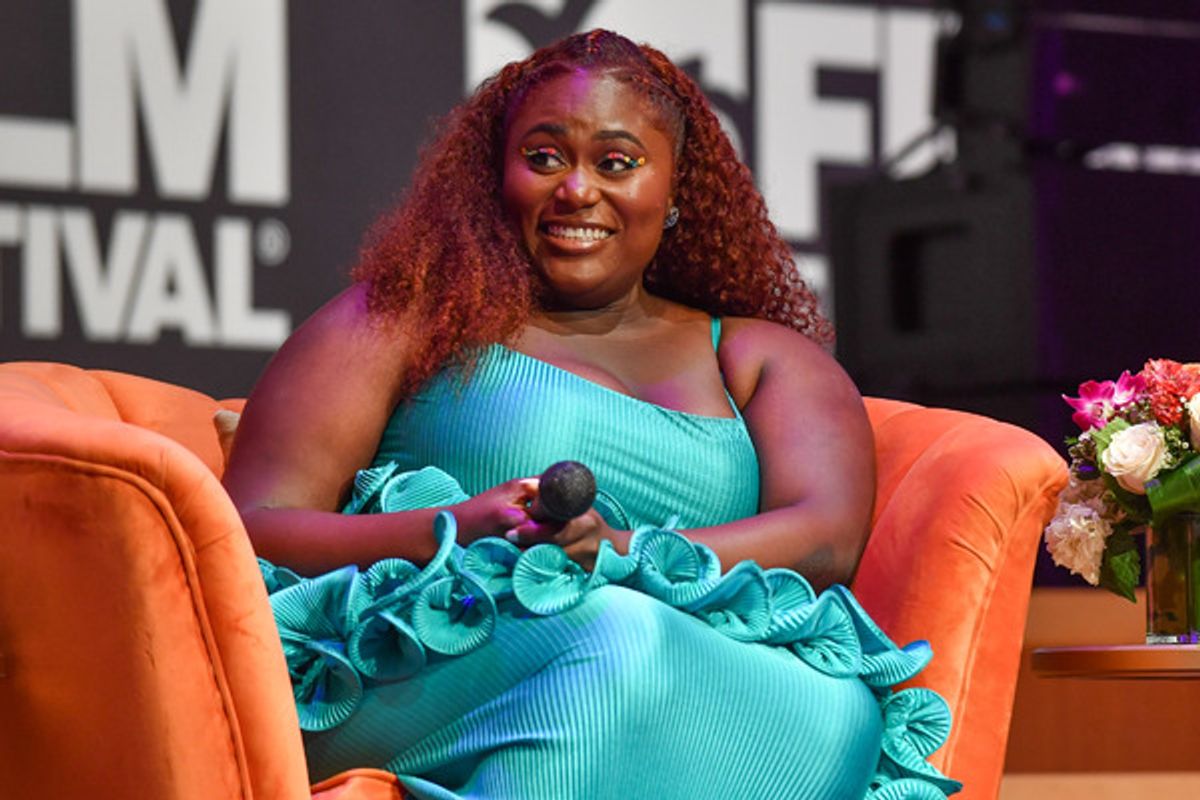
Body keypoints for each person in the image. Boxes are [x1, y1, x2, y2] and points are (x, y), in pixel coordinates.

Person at [223, 29, 961, 800]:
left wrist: (616, 548)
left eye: (617, 162)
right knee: (616, 644)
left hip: (692, 660)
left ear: (676, 192)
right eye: (544, 157)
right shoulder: (403, 320)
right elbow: (248, 526)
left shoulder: (754, 358)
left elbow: (825, 536)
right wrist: (451, 529)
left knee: (837, 709)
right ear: (496, 177)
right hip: (425, 655)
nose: (576, 189)